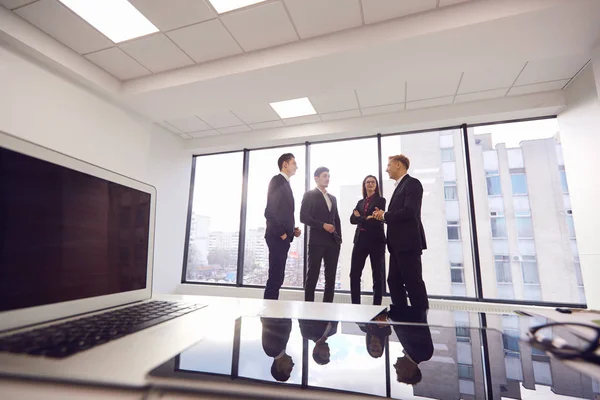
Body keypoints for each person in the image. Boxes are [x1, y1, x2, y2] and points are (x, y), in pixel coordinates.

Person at [373, 154, 428, 309]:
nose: (386, 169)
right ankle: (403, 320)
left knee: (413, 282)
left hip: (408, 243)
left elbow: (410, 211)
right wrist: (383, 216)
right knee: (394, 281)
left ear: (398, 165)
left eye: (389, 165)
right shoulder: (400, 186)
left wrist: (385, 215)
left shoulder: (412, 183)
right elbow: (399, 214)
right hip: (397, 245)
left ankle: (421, 322)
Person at [300, 167, 342, 303]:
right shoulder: (309, 195)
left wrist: (339, 238)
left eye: (329, 176)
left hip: (333, 243)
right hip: (317, 242)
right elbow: (303, 217)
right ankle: (308, 307)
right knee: (313, 275)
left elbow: (337, 219)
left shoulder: (333, 198)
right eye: (325, 176)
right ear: (316, 178)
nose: (328, 178)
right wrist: (322, 225)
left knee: (331, 278)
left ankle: (328, 308)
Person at [264, 153, 302, 300]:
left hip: (283, 237)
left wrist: (292, 231)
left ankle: (270, 313)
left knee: (278, 278)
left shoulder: (285, 183)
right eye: (294, 163)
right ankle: (268, 316)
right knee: (275, 278)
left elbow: (282, 213)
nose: (296, 166)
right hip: (277, 237)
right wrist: (282, 234)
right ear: (285, 164)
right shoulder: (277, 181)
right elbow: (269, 211)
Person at [349, 175, 386, 305]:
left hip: (376, 241)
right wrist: (366, 218)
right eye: (367, 182)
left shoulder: (381, 201)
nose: (370, 184)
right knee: (354, 274)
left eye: (373, 182)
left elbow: (376, 221)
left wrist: (360, 217)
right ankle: (355, 305)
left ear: (376, 185)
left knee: (377, 275)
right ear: (364, 185)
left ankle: (377, 307)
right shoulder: (360, 202)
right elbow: (352, 219)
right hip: (360, 240)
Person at [389, 306, 433, 386]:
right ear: (408, 372)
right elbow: (412, 322)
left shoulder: (410, 351)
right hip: (411, 302)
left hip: (404, 304)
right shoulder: (423, 354)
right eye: (398, 371)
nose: (395, 366)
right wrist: (388, 317)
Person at [260, 317, 295, 382]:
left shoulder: (271, 350)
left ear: (279, 367)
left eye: (289, 369)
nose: (293, 364)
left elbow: (269, 323)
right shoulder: (280, 349)